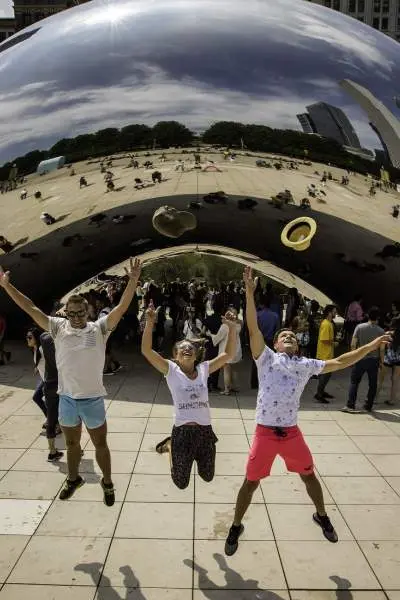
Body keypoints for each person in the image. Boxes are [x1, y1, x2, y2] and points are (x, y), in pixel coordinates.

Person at [224, 267, 391, 557]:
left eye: (291, 335)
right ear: (274, 344)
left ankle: (321, 514)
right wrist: (249, 293)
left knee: (309, 476)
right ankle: (236, 525)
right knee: (250, 483)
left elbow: (340, 361)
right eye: (283, 335)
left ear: (297, 344)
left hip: (291, 434)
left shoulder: (306, 365)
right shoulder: (266, 359)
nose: (288, 336)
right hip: (265, 433)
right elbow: (252, 328)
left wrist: (371, 345)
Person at [0, 258, 141, 504]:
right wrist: (7, 287)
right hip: (67, 399)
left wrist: (133, 282)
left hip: (92, 399)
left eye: (81, 313)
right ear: (66, 312)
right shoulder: (57, 327)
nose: (76, 317)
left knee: (100, 444)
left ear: (88, 312)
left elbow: (120, 307)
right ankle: (73, 478)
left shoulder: (99, 329)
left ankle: (107, 482)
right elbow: (30, 308)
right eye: (72, 313)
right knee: (72, 444)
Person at [141, 302, 237, 489]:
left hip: (204, 432)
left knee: (207, 476)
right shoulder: (170, 370)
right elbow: (146, 351)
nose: (187, 349)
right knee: (181, 482)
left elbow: (228, 354)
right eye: (182, 348)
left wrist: (232, 328)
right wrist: (149, 322)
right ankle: (170, 445)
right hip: (182, 433)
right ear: (175, 356)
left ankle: (175, 448)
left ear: (196, 354)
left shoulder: (204, 369)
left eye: (190, 348)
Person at [342, 306, 384, 413]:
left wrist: (352, 357)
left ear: (367, 316)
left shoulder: (359, 327)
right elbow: (382, 349)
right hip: (374, 360)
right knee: (373, 384)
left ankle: (351, 405)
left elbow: (353, 344)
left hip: (360, 358)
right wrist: (381, 362)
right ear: (378, 317)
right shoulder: (381, 331)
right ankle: (368, 405)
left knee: (354, 382)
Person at [209, 308, 242, 395]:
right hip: (236, 350)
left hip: (226, 350)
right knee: (234, 370)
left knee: (226, 370)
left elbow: (217, 338)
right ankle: (235, 387)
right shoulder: (238, 325)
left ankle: (227, 389)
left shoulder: (224, 326)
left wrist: (210, 335)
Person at [314, 305, 337, 403]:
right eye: (334, 311)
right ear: (329, 312)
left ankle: (321, 391)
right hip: (324, 354)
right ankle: (319, 394)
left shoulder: (329, 323)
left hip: (328, 353)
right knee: (324, 374)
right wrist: (334, 343)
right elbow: (324, 339)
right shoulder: (326, 324)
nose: (336, 313)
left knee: (328, 374)